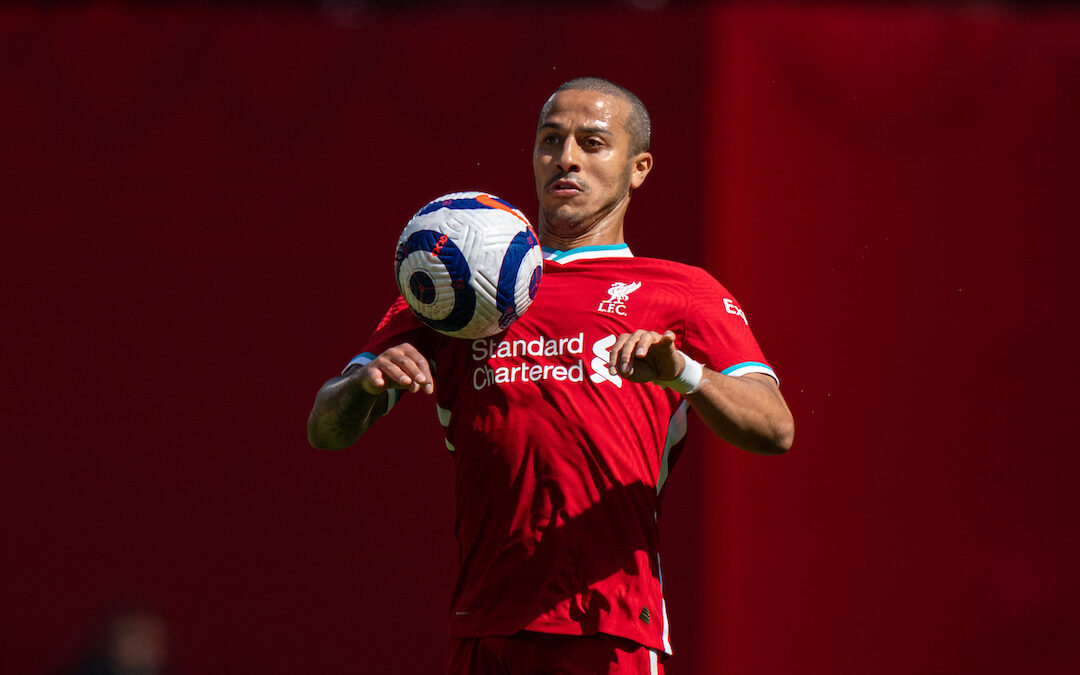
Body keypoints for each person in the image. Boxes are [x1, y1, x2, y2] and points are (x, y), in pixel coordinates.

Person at [307, 77, 794, 675]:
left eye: (593, 142)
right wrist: (363, 384)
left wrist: (683, 373)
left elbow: (775, 427)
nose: (566, 158)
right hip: (484, 623)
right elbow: (325, 429)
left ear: (638, 167)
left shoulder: (680, 291)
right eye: (550, 140)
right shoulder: (454, 287)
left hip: (609, 624)